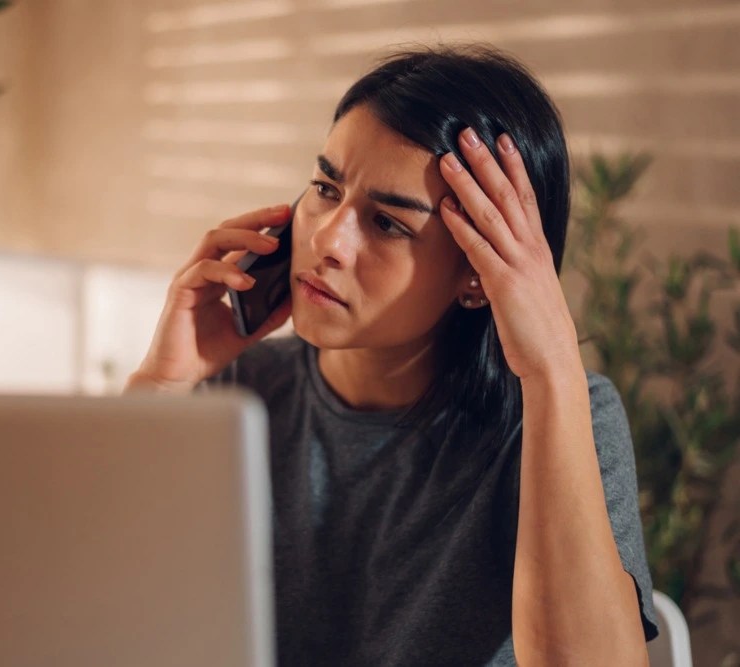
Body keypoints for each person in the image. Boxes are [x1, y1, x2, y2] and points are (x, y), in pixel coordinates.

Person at [126, 45, 659, 666]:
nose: (326, 239)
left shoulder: (567, 414)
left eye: (386, 224)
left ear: (478, 275)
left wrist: (550, 368)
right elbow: (79, 611)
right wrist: (159, 387)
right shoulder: (239, 392)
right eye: (326, 187)